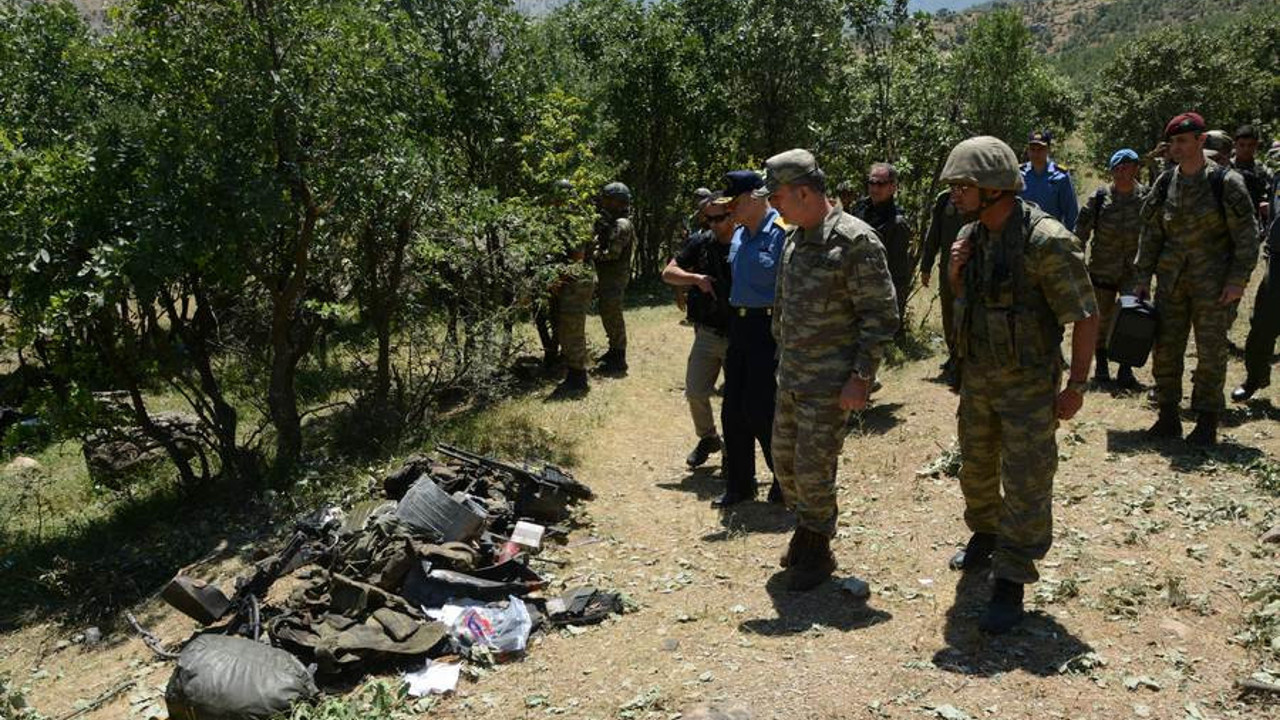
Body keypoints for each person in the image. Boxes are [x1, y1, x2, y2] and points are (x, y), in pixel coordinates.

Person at [944, 136, 1099, 633]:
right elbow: (967, 299)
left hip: (1029, 386)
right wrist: (956, 270)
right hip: (978, 378)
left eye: (963, 186)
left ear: (994, 188)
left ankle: (1012, 577)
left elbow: (1085, 315)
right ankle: (985, 534)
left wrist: (1076, 385)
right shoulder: (972, 235)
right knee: (975, 468)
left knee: (1027, 481)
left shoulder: (1046, 240)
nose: (955, 195)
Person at [766, 149, 899, 591]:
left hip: (830, 383)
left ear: (804, 192)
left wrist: (861, 377)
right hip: (792, 376)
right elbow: (783, 307)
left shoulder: (855, 240)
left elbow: (880, 316)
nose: (774, 205)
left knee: (813, 468)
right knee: (785, 463)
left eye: (778, 196)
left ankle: (816, 547)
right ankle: (807, 528)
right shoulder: (795, 239)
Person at [1133, 112, 1259, 444]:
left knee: (1211, 352)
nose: (1175, 147)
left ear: (1201, 141)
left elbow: (1247, 236)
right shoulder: (1165, 182)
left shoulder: (1225, 182)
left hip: (1213, 286)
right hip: (1171, 283)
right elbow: (1151, 234)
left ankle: (1206, 420)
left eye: (1182, 141)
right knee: (1165, 349)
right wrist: (1142, 277)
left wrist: (1237, 280)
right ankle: (1168, 416)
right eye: (1172, 142)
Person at [712, 170, 786, 508]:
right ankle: (740, 485)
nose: (729, 210)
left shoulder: (782, 233)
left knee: (761, 409)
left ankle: (784, 480)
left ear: (753, 198)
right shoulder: (740, 234)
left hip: (768, 329)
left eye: (734, 203)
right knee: (732, 410)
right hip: (739, 326)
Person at [662, 194, 735, 468]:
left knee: (735, 400)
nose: (713, 224)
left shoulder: (747, 242)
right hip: (707, 332)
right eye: (709, 219)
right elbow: (668, 273)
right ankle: (708, 438)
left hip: (739, 333)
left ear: (733, 215)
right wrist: (694, 279)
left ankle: (733, 453)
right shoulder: (700, 243)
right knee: (695, 391)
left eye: (720, 218)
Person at [1074, 149, 1148, 389]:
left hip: (1133, 272)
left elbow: (1155, 233)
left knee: (1132, 319)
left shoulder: (1147, 198)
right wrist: (1077, 263)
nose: (1121, 172)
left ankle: (1126, 369)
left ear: (1136, 168)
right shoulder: (1099, 198)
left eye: (1126, 167)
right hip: (1102, 270)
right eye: (1116, 168)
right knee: (1100, 320)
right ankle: (1102, 365)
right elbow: (1081, 232)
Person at [921, 188, 977, 382]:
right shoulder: (944, 199)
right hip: (948, 267)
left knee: (971, 312)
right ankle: (954, 356)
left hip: (974, 266)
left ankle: (969, 359)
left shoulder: (978, 195)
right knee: (949, 313)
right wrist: (926, 265)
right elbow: (934, 233)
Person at [549, 183, 599, 399]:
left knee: (572, 328)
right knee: (568, 327)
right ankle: (574, 372)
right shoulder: (568, 219)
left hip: (577, 282)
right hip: (572, 280)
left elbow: (577, 259)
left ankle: (578, 378)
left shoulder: (576, 221)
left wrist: (558, 282)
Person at [850, 163, 914, 329]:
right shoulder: (859, 209)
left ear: (893, 187)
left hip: (879, 292)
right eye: (872, 183)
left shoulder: (897, 223)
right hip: (854, 287)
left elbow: (897, 272)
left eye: (880, 184)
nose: (875, 188)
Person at [593, 182, 636, 374]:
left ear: (617, 202)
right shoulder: (614, 222)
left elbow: (611, 254)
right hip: (610, 276)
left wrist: (590, 252)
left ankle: (619, 357)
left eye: (607, 199)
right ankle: (614, 351)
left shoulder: (621, 224)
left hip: (614, 277)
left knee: (612, 314)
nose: (603, 203)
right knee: (608, 312)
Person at [1019, 129, 1079, 230]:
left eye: (1040, 149)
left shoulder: (1061, 176)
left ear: (1048, 150)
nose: (1036, 153)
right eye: (1032, 149)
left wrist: (1072, 236)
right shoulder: (1020, 174)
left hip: (1051, 234)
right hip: (1024, 233)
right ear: (1028, 150)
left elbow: (1071, 213)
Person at [1231, 125, 1273, 227]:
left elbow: (1276, 192)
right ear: (1235, 145)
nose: (1246, 149)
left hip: (1255, 224)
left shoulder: (1263, 170)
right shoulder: (1226, 168)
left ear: (1256, 145)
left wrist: (1269, 205)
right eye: (1242, 145)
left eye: (1250, 145)